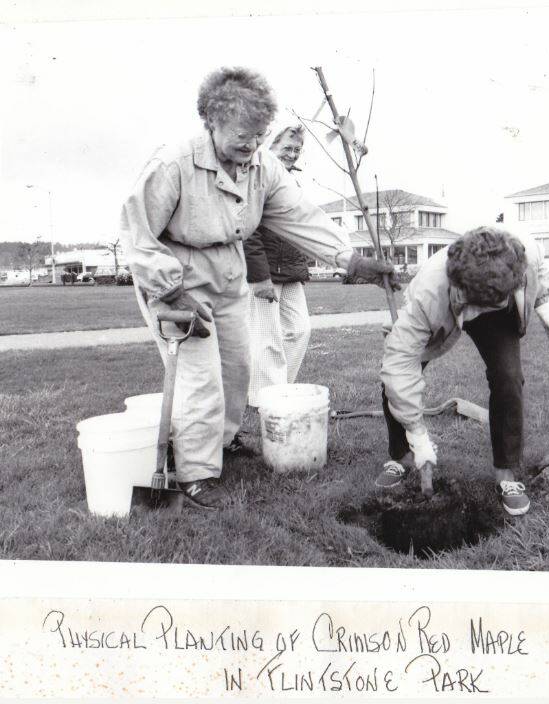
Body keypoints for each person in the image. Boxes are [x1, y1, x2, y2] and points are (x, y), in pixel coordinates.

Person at [120, 66, 398, 511]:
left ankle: (222, 443)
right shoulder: (173, 163)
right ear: (211, 122)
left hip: (229, 274)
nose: (250, 146)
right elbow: (137, 234)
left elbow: (299, 216)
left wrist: (351, 260)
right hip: (176, 276)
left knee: (236, 368)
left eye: (258, 136)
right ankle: (196, 474)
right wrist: (171, 292)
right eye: (241, 136)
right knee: (200, 376)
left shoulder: (262, 167)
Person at [377, 226, 549, 516]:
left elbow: (539, 271)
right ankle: (402, 455)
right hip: (447, 303)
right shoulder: (427, 294)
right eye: (470, 309)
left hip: (498, 309)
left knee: (509, 378)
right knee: (394, 380)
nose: (470, 317)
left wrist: (548, 310)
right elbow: (399, 364)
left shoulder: (526, 249)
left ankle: (506, 473)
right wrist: (417, 433)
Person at [243, 125, 312, 412]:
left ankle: (280, 390)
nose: (293, 154)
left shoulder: (292, 182)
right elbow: (248, 229)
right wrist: (259, 277)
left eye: (297, 150)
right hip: (266, 271)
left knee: (300, 330)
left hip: (291, 269)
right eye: (287, 148)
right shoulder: (257, 177)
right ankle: (262, 399)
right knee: (267, 338)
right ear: (271, 147)